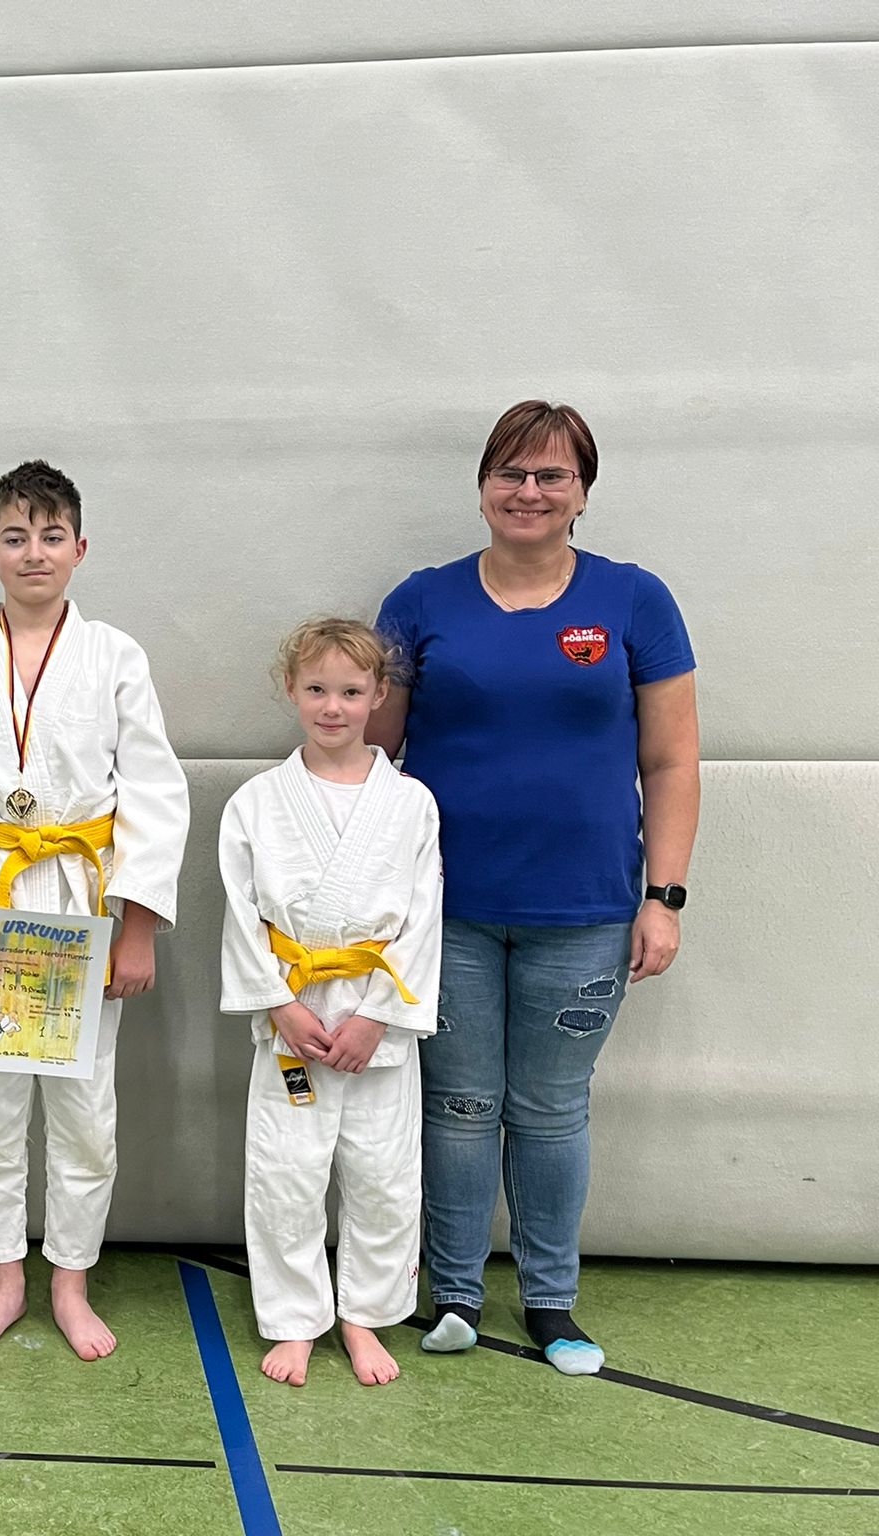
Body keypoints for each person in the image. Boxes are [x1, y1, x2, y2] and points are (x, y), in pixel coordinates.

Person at [370, 400, 700, 1375]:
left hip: (585, 912)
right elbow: (370, 757)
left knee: (551, 1110)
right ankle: (454, 1295)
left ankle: (550, 1301)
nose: (528, 491)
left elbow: (671, 763)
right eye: (509, 473)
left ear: (582, 493)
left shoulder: (634, 601)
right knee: (459, 1105)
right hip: (445, 911)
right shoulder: (419, 602)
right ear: (481, 487)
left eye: (551, 475)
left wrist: (663, 898)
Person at [0, 460, 189, 1361]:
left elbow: (155, 793)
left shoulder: (116, 656)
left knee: (84, 1106)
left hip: (81, 898)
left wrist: (136, 926)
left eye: (51, 535)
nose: (35, 552)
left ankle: (70, 1280)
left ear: (80, 548)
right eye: (16, 537)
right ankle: (4, 1279)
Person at [219, 619, 441, 1388]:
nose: (333, 706)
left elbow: (422, 919)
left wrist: (376, 1016)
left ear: (379, 695)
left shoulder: (411, 803)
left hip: (378, 1015)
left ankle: (364, 1316)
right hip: (295, 1014)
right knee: (286, 1173)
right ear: (291, 690)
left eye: (351, 691)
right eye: (316, 689)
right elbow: (242, 915)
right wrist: (280, 1005)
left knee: (383, 1174)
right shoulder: (256, 802)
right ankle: (295, 1319)